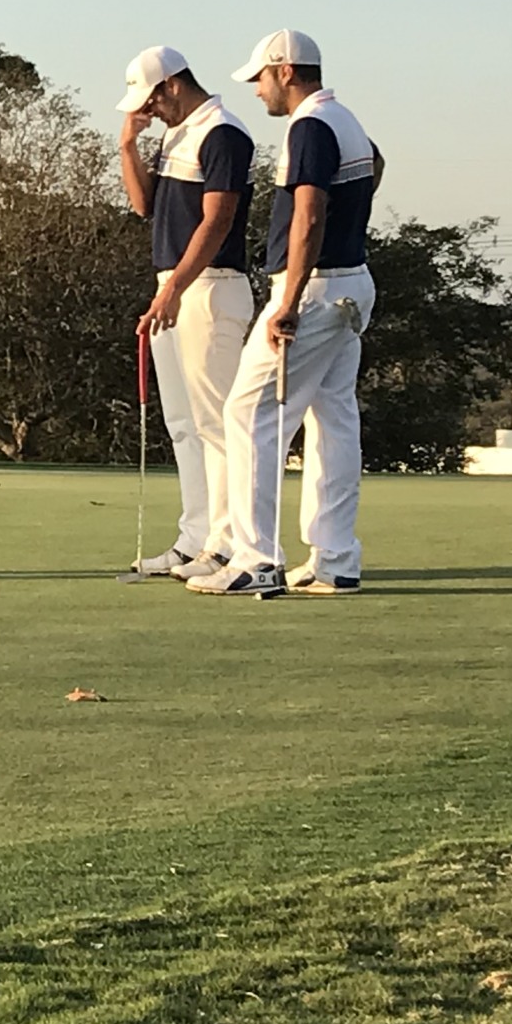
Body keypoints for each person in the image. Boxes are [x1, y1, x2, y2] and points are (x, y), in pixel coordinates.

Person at [190, 32, 379, 599]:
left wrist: (289, 301)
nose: (257, 90)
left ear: (287, 70)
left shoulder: (310, 126)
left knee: (249, 413)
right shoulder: (342, 119)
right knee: (334, 417)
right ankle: (336, 559)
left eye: (261, 78)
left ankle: (256, 560)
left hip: (315, 290)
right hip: (351, 283)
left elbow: (309, 213)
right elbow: (376, 162)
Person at [115, 46, 254, 580]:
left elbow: (217, 222)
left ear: (171, 85)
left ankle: (228, 544)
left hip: (209, 287)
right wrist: (128, 143)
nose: (149, 110)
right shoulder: (178, 133)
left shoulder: (223, 133)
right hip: (173, 287)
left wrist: (174, 289)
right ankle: (196, 538)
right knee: (183, 425)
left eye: (150, 99)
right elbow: (143, 206)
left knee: (217, 426)